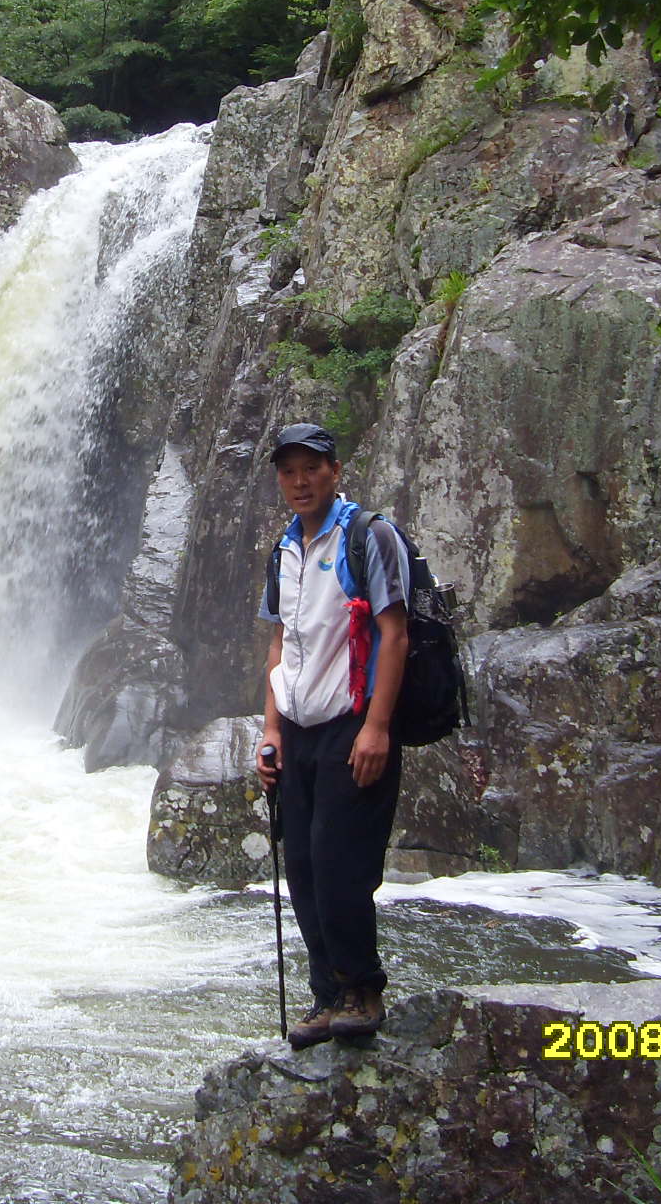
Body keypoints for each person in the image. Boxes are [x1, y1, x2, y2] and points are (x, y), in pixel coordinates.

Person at [255, 422, 410, 1050]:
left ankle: (362, 990)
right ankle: (327, 997)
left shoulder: (369, 536)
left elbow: (394, 633)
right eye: (288, 470)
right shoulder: (284, 551)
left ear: (335, 470)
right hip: (297, 728)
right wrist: (270, 728)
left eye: (311, 468)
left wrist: (377, 726)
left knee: (340, 863)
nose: (299, 481)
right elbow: (279, 643)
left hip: (353, 725)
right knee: (303, 869)